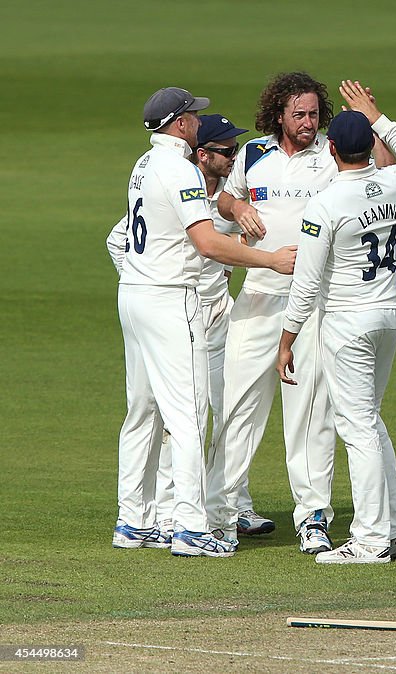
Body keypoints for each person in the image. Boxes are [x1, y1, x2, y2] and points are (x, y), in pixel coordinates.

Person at [114, 86, 295, 557]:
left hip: (135, 296)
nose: (198, 120)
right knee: (190, 414)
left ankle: (133, 521)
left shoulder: (144, 163)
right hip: (173, 300)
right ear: (179, 125)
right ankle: (191, 528)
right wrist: (269, 260)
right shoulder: (179, 169)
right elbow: (209, 245)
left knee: (143, 411)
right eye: (193, 115)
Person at [277, 81, 396, 564]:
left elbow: (305, 283)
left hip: (347, 323)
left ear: (331, 148)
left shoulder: (326, 203)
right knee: (370, 421)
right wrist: (378, 115)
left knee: (357, 426)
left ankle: (368, 540)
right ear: (369, 147)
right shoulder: (393, 183)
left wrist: (287, 340)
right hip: (390, 316)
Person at [213, 72, 339, 554]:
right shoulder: (253, 155)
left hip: (312, 300)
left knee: (308, 411)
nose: (308, 123)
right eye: (299, 115)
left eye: (313, 114)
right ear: (279, 116)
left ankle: (312, 517)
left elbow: (384, 175)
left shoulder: (331, 155)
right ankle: (222, 513)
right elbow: (222, 198)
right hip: (259, 293)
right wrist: (236, 205)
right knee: (239, 404)